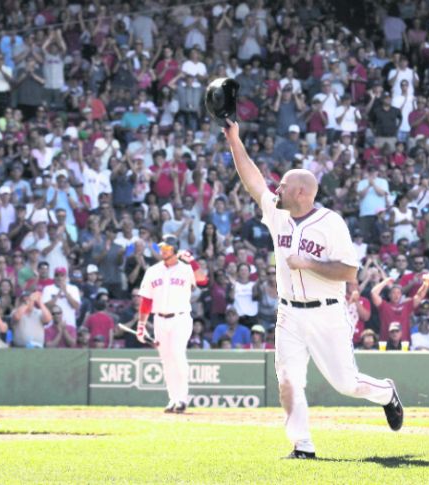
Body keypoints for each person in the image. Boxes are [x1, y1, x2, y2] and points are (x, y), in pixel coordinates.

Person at [222, 119, 403, 460]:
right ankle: (302, 445)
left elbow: (350, 270)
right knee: (289, 379)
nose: (277, 190)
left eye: (284, 186)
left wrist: (309, 263)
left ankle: (386, 392)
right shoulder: (277, 214)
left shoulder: (331, 222)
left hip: (326, 311)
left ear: (301, 192)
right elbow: (253, 182)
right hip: (289, 311)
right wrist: (235, 141)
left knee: (346, 383)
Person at [137, 235, 208, 413]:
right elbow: (146, 300)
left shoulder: (185, 269)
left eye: (167, 248)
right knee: (166, 360)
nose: (163, 251)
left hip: (181, 318)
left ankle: (182, 399)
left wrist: (192, 261)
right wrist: (141, 325)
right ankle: (173, 399)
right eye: (162, 248)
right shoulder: (153, 270)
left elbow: (203, 281)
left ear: (175, 249)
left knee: (177, 354)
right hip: (159, 319)